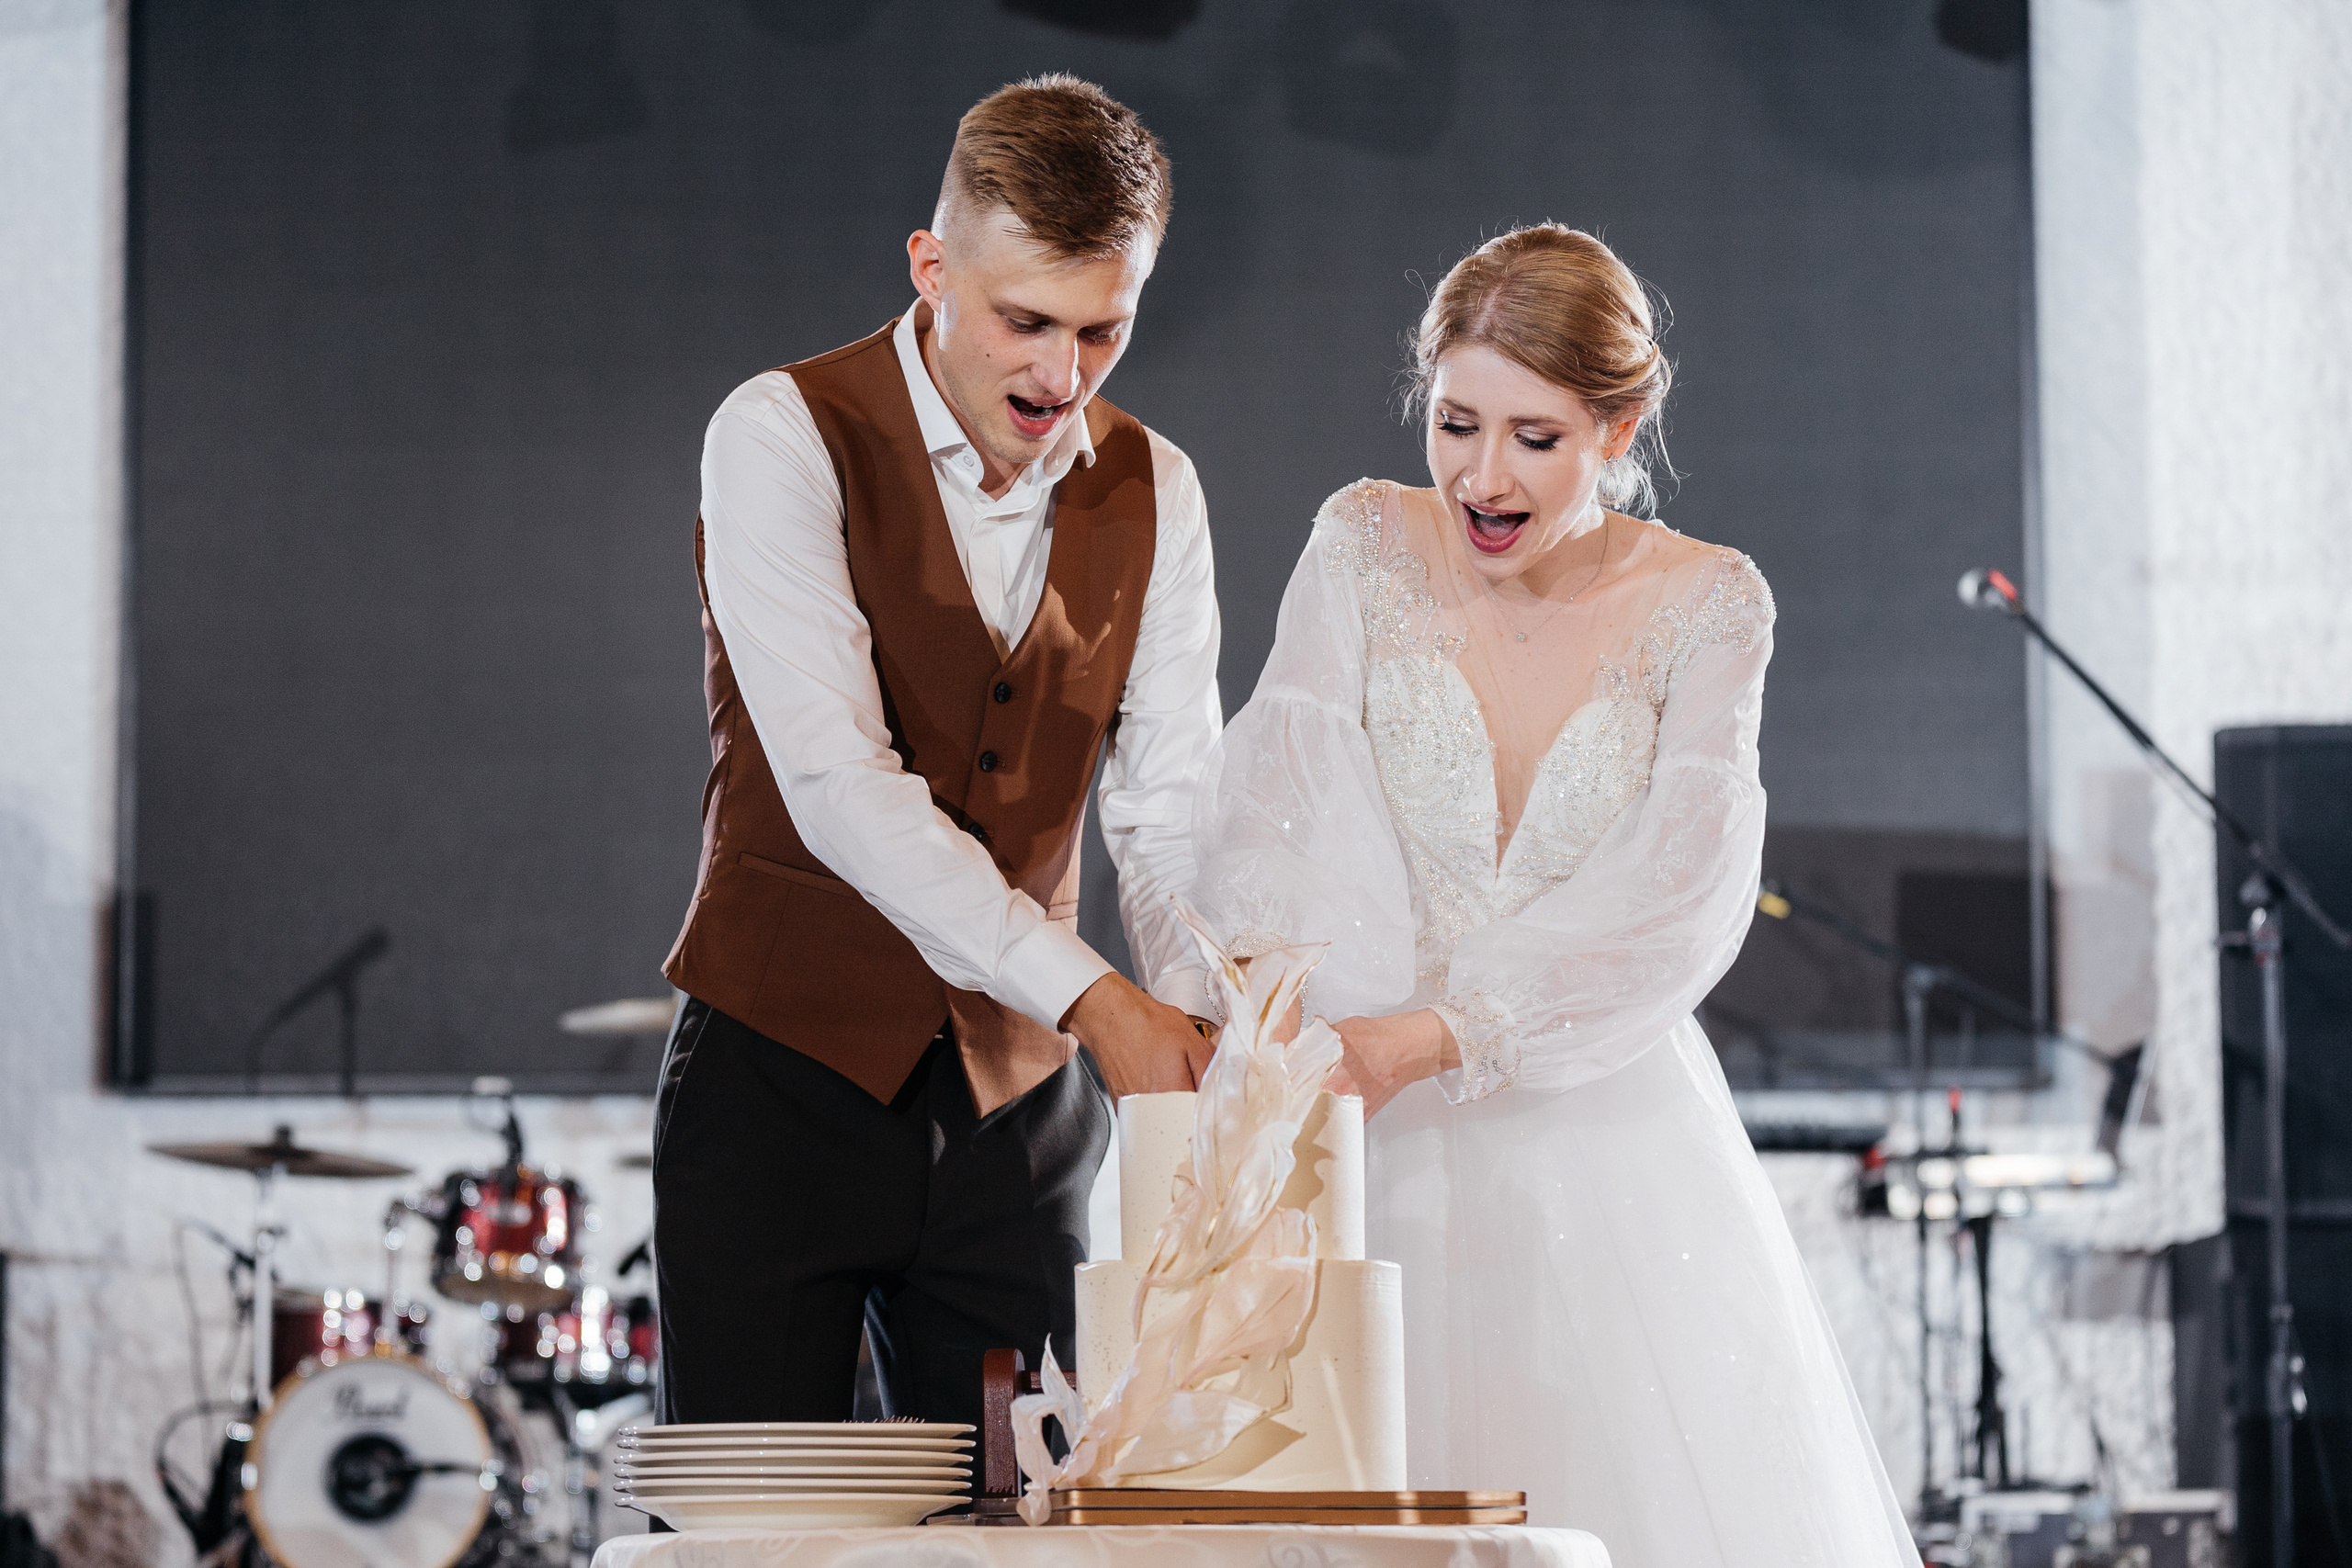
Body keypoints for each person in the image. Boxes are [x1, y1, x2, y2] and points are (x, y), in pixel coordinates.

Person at [1188, 224, 1919, 1563]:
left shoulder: (1712, 603)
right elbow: (1271, 814)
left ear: (1619, 422)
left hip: (1604, 1127)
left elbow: (1683, 893)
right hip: (1362, 1122)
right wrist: (1278, 1043)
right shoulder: (1359, 542)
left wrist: (1447, 1036)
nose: (1482, 474)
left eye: (1535, 436)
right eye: (1456, 422)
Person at [653, 75, 1222, 1434]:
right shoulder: (779, 434)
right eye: (1025, 320)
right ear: (931, 267)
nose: (1060, 374)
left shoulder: (1159, 487)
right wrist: (1104, 1004)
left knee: (1018, 1532)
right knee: (754, 1538)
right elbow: (844, 791)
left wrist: (1191, 1019)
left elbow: (1169, 802)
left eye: (1103, 329)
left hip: (1022, 1122)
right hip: (778, 1080)